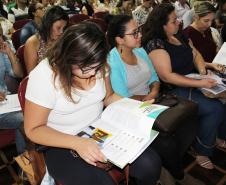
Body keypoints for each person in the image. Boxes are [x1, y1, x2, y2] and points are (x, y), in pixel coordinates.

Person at [24, 22, 162, 185]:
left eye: (97, 67)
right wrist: (78, 143)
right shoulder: (44, 76)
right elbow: (33, 129)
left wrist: (138, 108)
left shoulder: (99, 63)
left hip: (99, 131)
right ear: (67, 58)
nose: (92, 73)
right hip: (61, 142)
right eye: (84, 69)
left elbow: (108, 96)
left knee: (151, 164)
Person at [107, 14, 202, 185]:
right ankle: (178, 174)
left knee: (190, 120)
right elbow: (123, 98)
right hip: (133, 110)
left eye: (139, 31)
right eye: (134, 33)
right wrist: (147, 98)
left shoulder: (139, 50)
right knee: (166, 143)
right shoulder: (112, 61)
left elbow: (154, 77)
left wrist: (153, 91)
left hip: (154, 100)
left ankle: (168, 165)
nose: (140, 36)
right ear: (119, 39)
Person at [142, 3, 226, 170]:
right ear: (162, 25)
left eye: (177, 19)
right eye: (174, 20)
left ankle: (218, 134)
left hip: (192, 79)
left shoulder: (178, 34)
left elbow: (194, 53)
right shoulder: (156, 44)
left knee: (224, 97)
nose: (179, 22)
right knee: (214, 107)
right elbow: (168, 76)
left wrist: (203, 71)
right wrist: (200, 82)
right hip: (173, 91)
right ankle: (202, 149)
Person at [0, 25, 25, 155]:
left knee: (31, 113)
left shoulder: (2, 50)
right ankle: (27, 164)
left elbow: (19, 74)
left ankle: (25, 161)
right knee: (25, 120)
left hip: (5, 103)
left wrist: (9, 54)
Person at [24, 5, 68, 74]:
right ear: (48, 25)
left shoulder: (62, 38)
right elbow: (32, 74)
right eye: (58, 28)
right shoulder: (32, 43)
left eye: (64, 28)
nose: (61, 32)